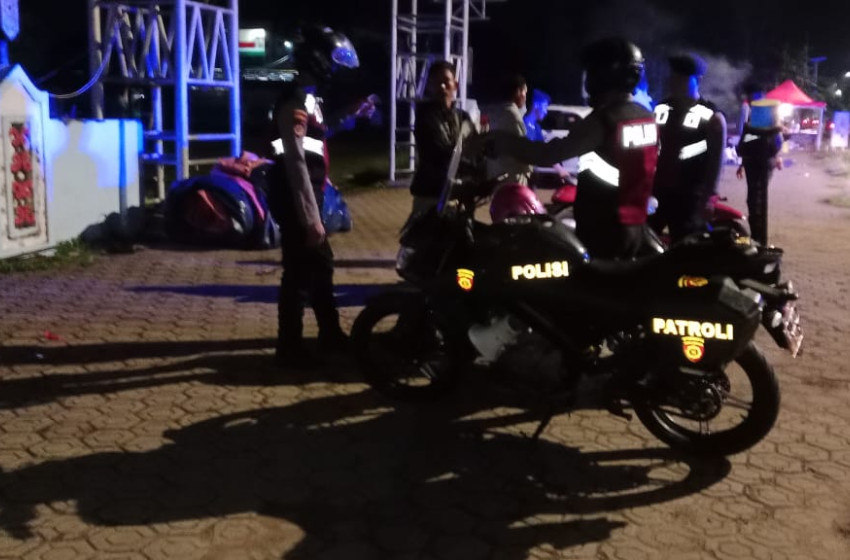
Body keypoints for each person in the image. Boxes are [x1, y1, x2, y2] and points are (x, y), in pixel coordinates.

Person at [475, 37, 659, 259]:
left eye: (592, 72)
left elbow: (549, 154)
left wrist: (503, 142)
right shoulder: (646, 117)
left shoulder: (605, 119)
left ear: (604, 75)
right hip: (636, 225)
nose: (588, 80)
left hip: (603, 229)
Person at [266, 26, 371, 369]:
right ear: (320, 62)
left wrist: (352, 115)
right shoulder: (295, 102)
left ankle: (329, 335)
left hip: (307, 193)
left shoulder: (309, 100)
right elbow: (296, 164)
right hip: (295, 196)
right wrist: (310, 218)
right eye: (334, 64)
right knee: (298, 274)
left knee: (319, 267)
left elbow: (318, 136)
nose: (337, 71)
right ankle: (290, 349)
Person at [650, 53, 726, 243]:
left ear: (697, 80)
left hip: (690, 197)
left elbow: (717, 161)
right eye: (673, 77)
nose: (674, 82)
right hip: (657, 192)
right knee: (646, 243)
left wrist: (710, 197)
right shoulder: (660, 109)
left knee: (687, 246)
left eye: (681, 78)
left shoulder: (712, 117)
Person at [407, 60, 476, 221]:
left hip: (458, 196)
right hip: (430, 196)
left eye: (446, 81)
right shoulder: (426, 116)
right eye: (436, 82)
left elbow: (477, 147)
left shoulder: (463, 117)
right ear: (429, 86)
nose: (442, 87)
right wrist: (468, 162)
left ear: (455, 85)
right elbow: (440, 152)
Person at [736, 83, 784, 245]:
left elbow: (777, 142)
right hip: (754, 163)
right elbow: (746, 144)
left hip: (761, 164)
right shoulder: (754, 117)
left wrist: (772, 155)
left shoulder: (767, 117)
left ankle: (759, 240)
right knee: (754, 201)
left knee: (756, 201)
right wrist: (742, 163)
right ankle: (757, 238)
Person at [486, 74, 533, 186]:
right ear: (518, 92)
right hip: (513, 178)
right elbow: (523, 149)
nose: (525, 97)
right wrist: (528, 172)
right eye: (525, 92)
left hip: (495, 175)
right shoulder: (513, 116)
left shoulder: (496, 113)